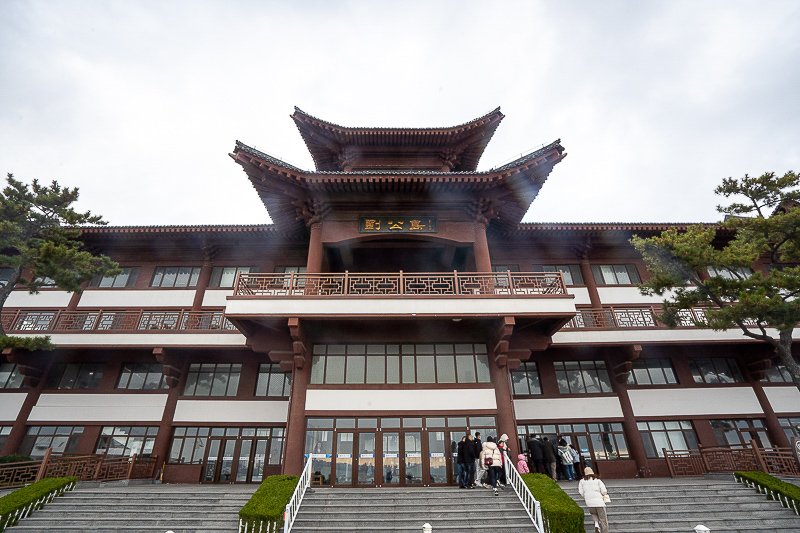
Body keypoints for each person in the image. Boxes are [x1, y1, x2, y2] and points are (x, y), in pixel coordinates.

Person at [578, 467, 609, 533]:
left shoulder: (582, 481)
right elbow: (604, 491)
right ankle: (604, 531)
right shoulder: (597, 480)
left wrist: (586, 496)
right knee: (603, 519)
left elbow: (581, 492)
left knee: (593, 514)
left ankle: (596, 524)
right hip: (599, 502)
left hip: (589, 502)